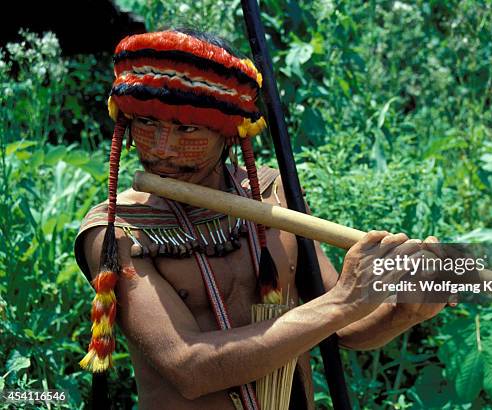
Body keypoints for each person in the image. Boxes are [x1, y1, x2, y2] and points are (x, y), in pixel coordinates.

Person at [74, 28, 448, 410]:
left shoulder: (272, 194)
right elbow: (189, 369)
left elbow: (344, 328)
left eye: (187, 129)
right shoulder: (116, 232)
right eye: (148, 124)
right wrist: (343, 300)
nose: (163, 149)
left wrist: (403, 311)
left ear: (230, 133)